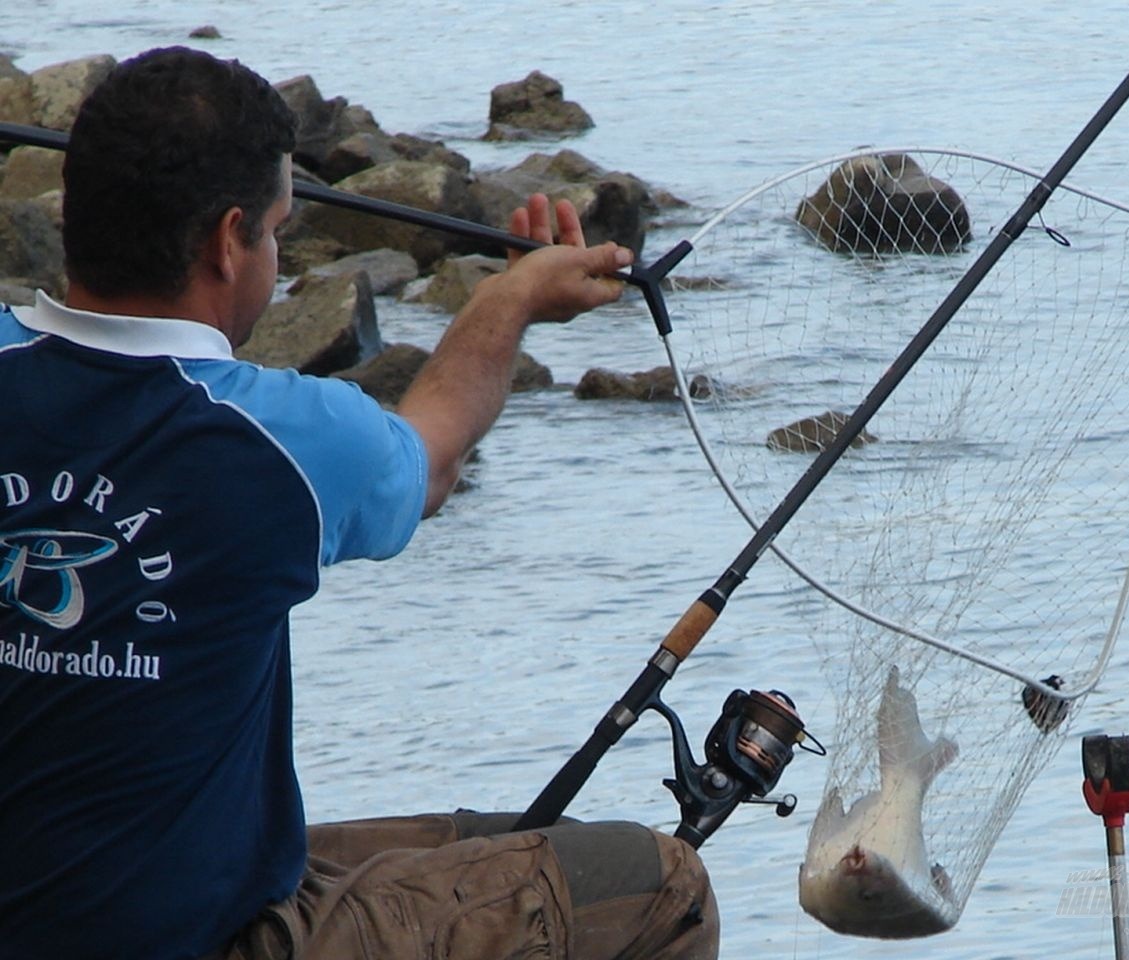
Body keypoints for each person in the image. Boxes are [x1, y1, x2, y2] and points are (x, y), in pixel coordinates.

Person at [0, 47, 718, 960]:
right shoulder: (280, 440)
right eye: (277, 231)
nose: (276, 255)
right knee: (658, 886)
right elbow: (435, 451)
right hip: (197, 936)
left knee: (522, 838)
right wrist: (511, 299)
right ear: (228, 241)